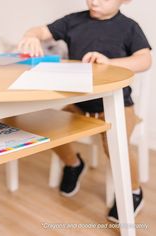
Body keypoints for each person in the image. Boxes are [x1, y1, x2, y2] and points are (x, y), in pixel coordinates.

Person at [17, 0, 152, 223]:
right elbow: (41, 31)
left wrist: (111, 63)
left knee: (116, 144)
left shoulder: (129, 27)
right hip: (81, 104)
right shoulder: (73, 21)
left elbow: (144, 59)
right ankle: (73, 164)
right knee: (50, 127)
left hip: (118, 105)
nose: (94, 1)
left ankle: (133, 192)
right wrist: (31, 35)